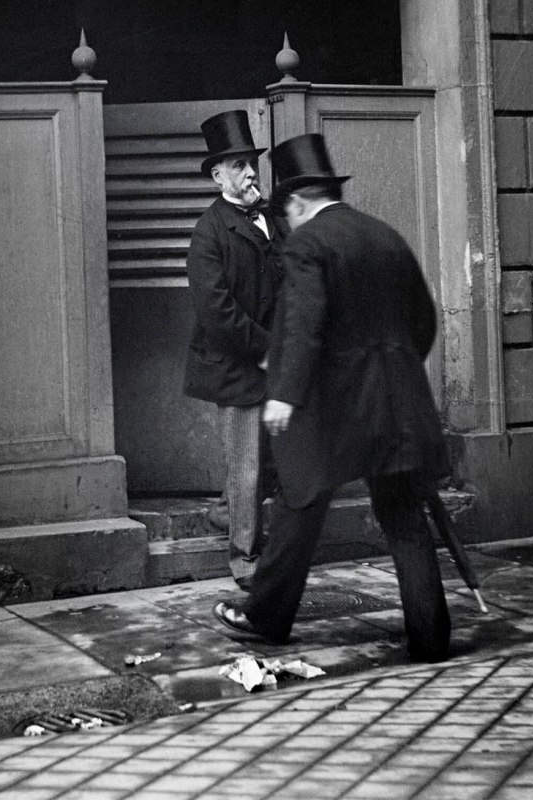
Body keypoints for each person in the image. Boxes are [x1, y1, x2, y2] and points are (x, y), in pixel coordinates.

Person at [213, 133, 451, 661]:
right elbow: (424, 322)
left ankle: (265, 616)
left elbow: (303, 325)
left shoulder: (306, 244)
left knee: (301, 497)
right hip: (402, 403)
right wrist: (397, 370)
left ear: (298, 203)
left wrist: (285, 393)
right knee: (405, 517)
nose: (289, 223)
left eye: (288, 212)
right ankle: (432, 638)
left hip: (340, 409)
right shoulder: (385, 235)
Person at [183, 110, 287, 591]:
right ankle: (245, 560)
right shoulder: (209, 231)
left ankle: (225, 512)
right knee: (247, 464)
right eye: (239, 165)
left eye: (252, 164)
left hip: (274, 356)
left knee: (270, 461)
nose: (250, 173)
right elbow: (216, 312)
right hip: (238, 362)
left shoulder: (272, 219)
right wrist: (266, 350)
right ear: (217, 174)